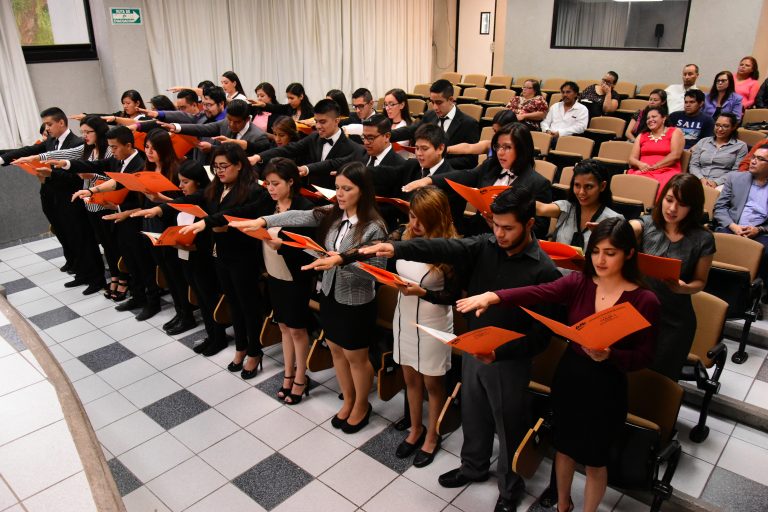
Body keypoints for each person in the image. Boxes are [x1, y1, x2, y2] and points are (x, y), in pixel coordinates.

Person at [358, 187, 561, 512]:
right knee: (473, 413)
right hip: (472, 345)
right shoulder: (486, 245)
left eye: (508, 227)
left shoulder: (544, 270)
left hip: (509, 359)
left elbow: (542, 337)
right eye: (495, 225)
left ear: (530, 224)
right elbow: (442, 246)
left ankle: (509, 489)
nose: (499, 233)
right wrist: (393, 246)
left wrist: (500, 353)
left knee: (509, 426)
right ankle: (473, 466)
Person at [456, 217, 660, 512]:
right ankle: (563, 505)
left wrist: (612, 355)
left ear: (629, 254)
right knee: (564, 448)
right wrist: (495, 296)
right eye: (595, 251)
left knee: (594, 459)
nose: (600, 260)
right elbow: (538, 292)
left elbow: (645, 356)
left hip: (607, 385)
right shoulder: (579, 282)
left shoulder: (645, 300)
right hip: (571, 375)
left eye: (610, 253)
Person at [232, 162, 388, 432]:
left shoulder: (374, 227)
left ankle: (362, 404)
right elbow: (298, 216)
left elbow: (376, 273)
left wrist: (339, 262)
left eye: (346, 189)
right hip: (329, 294)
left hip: (356, 301)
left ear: (362, 191)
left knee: (356, 356)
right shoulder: (333, 213)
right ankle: (348, 399)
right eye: (337, 188)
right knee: (336, 351)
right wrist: (263, 221)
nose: (339, 194)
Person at [311, 187, 461, 467]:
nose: (414, 224)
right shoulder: (402, 236)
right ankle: (415, 428)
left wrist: (424, 293)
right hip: (403, 316)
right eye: (412, 216)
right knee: (410, 378)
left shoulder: (450, 248)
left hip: (433, 320)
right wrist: (344, 258)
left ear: (438, 217)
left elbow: (454, 295)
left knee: (432, 382)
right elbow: (370, 250)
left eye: (421, 218)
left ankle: (433, 435)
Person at [179, 144, 275, 378]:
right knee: (232, 302)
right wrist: (161, 206)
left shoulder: (255, 191)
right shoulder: (216, 188)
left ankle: (255, 351)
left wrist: (210, 223)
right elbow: (196, 199)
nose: (219, 171)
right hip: (220, 254)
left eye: (224, 166)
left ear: (239, 165)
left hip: (243, 255)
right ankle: (241, 346)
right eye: (216, 167)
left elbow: (243, 213)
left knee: (248, 305)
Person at [131, 161, 229, 356]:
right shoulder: (188, 199)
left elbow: (208, 235)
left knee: (208, 298)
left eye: (185, 182)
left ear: (198, 183)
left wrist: (159, 207)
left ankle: (219, 338)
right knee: (199, 297)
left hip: (202, 259)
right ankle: (211, 335)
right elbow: (177, 210)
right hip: (184, 255)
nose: (181, 186)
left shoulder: (204, 199)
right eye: (179, 181)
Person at [19, 115, 122, 298]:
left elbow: (114, 178)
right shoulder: (87, 149)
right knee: (102, 244)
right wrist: (37, 157)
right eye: (82, 132)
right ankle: (109, 276)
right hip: (90, 203)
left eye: (87, 132)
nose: (84, 135)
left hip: (107, 203)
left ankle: (120, 278)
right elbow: (65, 156)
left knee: (113, 246)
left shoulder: (108, 151)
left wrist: (90, 177)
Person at [67, 127, 157, 320]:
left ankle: (152, 301)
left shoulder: (139, 163)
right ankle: (138, 295)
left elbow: (122, 185)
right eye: (110, 147)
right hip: (120, 216)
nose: (113, 151)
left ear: (129, 145)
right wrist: (66, 164)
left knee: (143, 263)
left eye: (115, 147)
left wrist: (93, 191)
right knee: (129, 259)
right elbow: (98, 166)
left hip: (137, 219)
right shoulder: (118, 160)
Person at [630, 174, 714, 379]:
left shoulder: (703, 239)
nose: (672, 208)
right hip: (637, 311)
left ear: (693, 207)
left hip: (674, 321)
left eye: (682, 204)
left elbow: (700, 282)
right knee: (627, 371)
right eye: (669, 200)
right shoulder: (647, 224)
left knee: (658, 380)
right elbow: (630, 226)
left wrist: (684, 288)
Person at [404, 122, 552, 238]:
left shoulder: (538, 183)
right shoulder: (490, 166)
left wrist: (500, 226)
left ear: (522, 150)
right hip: (478, 234)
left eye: (507, 147)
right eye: (497, 146)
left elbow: (539, 230)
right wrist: (428, 180)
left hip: (511, 247)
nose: (500, 152)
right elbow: (464, 176)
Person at [0, 107, 84, 277]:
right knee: (61, 231)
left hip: (69, 195)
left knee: (77, 235)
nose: (47, 128)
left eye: (49, 124)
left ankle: (86, 269)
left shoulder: (76, 143)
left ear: (61, 122)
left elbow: (74, 174)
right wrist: (3, 158)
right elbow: (29, 150)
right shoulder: (50, 141)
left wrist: (49, 173)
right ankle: (73, 263)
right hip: (50, 193)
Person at [259, 158, 315, 403]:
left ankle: (302, 377)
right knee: (282, 326)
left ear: (290, 182)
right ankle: (288, 373)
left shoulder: (304, 208)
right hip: (273, 272)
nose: (270, 189)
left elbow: (309, 250)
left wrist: (282, 245)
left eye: (275, 184)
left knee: (297, 328)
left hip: (295, 275)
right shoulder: (269, 205)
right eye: (267, 184)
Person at [249, 99, 366, 189]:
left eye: (323, 122)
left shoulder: (353, 147)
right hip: (311, 195)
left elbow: (330, 164)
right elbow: (289, 149)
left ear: (337, 121)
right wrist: (258, 157)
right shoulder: (314, 137)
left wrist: (307, 168)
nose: (318, 126)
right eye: (316, 121)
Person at [391, 79, 480, 170]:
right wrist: (387, 135)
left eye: (439, 103)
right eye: (432, 102)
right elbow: (410, 130)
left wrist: (439, 163)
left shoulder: (469, 124)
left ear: (451, 100)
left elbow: (471, 161)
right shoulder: (429, 115)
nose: (435, 107)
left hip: (451, 175)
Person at [536, 159, 622, 250]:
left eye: (588, 186)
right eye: (577, 185)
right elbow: (541, 208)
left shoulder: (614, 219)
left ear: (602, 186)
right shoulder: (566, 207)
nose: (581, 192)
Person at [714, 146, 768, 282]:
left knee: (766, 252)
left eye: (760, 159)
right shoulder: (735, 178)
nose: (753, 161)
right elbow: (720, 207)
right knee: (714, 243)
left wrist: (759, 229)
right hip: (732, 226)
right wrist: (733, 226)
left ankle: (754, 287)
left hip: (760, 232)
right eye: (753, 157)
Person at [161, 99, 270, 156]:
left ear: (247, 119)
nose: (231, 124)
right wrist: (176, 127)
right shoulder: (224, 123)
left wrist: (212, 149)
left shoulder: (258, 136)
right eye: (229, 120)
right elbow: (201, 128)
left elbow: (240, 157)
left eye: (236, 122)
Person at [627, 107, 684, 195]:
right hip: (644, 170)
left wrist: (655, 167)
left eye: (654, 117)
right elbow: (632, 158)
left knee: (662, 184)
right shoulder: (642, 135)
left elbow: (675, 155)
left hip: (667, 171)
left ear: (664, 118)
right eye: (648, 118)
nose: (650, 120)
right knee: (629, 183)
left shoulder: (675, 131)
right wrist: (640, 164)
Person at [689, 113, 748, 189]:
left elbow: (736, 171)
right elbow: (693, 165)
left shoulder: (740, 146)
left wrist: (716, 182)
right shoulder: (703, 141)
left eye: (725, 126)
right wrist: (701, 179)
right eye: (717, 125)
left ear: (733, 127)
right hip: (698, 179)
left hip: (723, 183)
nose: (720, 129)